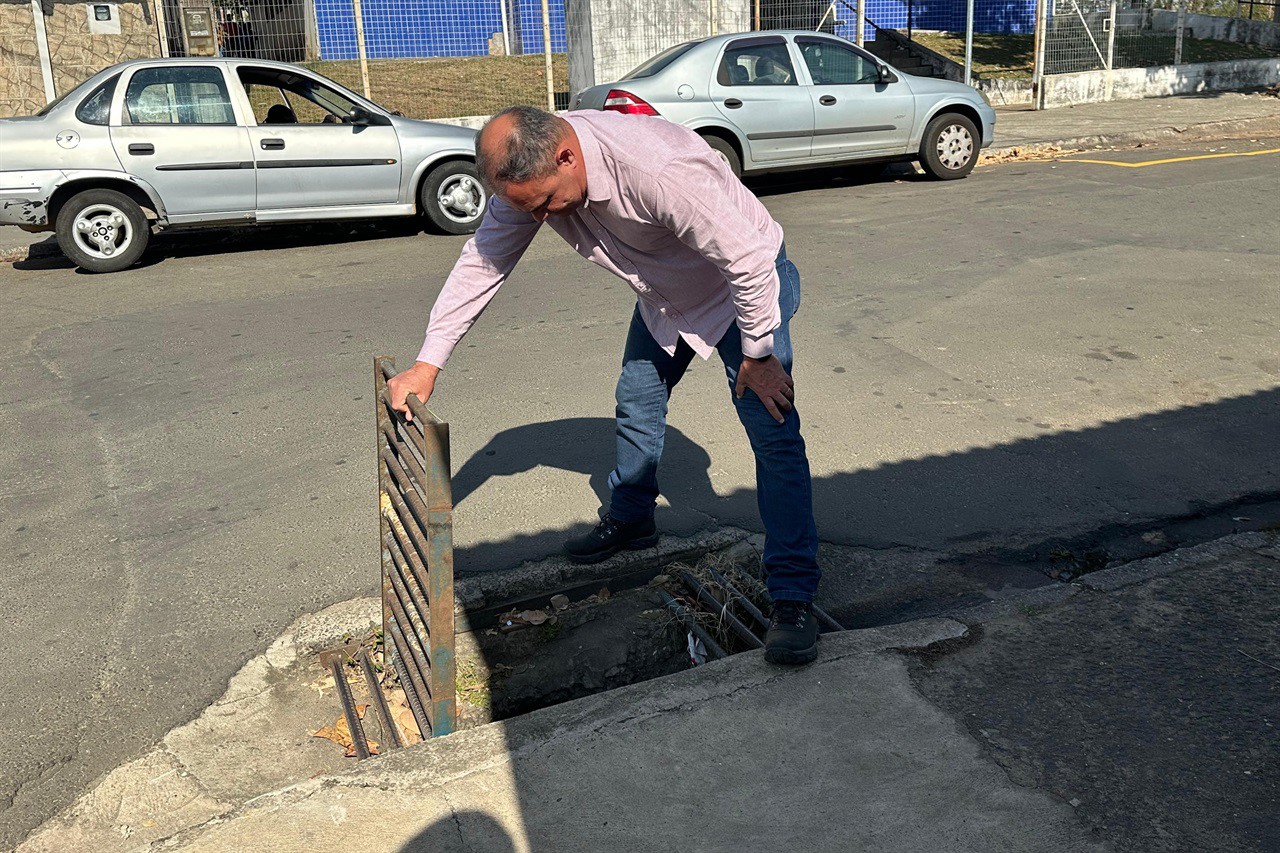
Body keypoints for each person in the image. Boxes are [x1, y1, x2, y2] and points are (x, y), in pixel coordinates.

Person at [387, 105, 821, 665]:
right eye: (527, 209)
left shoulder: (656, 169)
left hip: (744, 292)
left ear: (567, 156)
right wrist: (429, 363)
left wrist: (759, 354)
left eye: (544, 203)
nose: (539, 218)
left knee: (772, 431)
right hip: (670, 296)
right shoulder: (535, 178)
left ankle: (793, 595)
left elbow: (751, 259)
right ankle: (632, 515)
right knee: (638, 398)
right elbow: (484, 262)